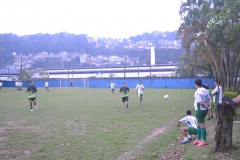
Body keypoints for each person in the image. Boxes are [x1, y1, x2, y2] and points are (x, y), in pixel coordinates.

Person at [193, 79, 211, 146]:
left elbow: (200, 102)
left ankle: (204, 141)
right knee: (198, 124)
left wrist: (206, 106)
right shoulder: (205, 90)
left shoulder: (197, 92)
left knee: (201, 125)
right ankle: (198, 139)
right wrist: (208, 106)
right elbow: (209, 98)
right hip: (204, 110)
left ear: (195, 84)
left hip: (199, 110)